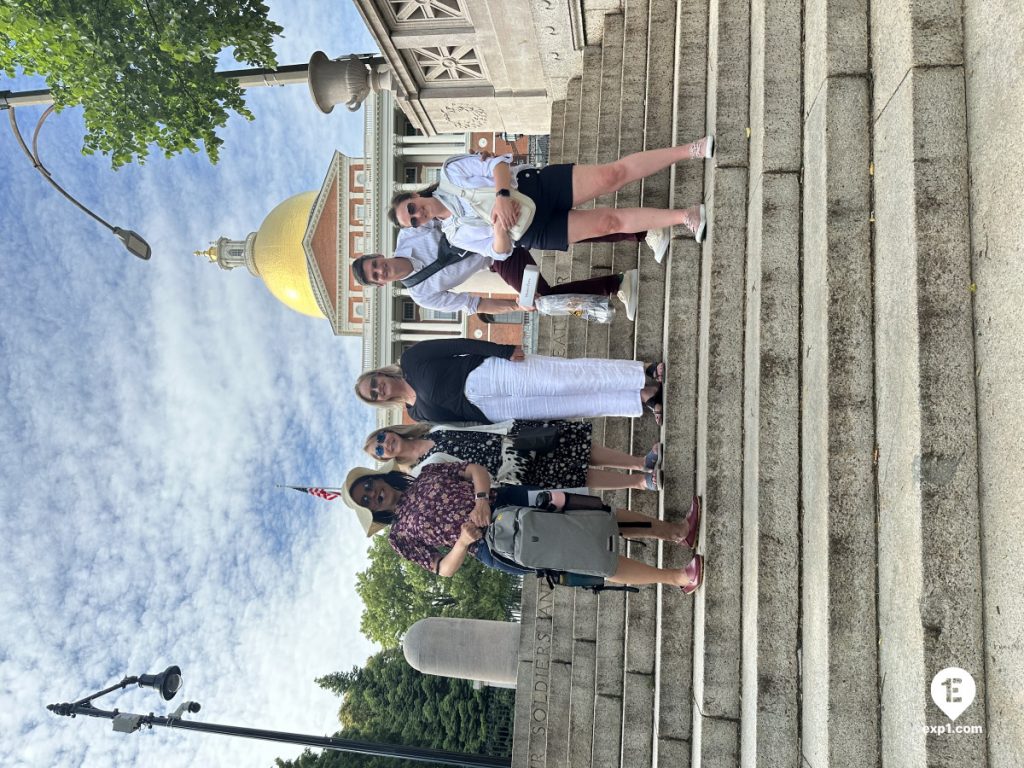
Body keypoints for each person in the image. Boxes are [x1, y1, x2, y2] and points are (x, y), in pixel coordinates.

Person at [340, 459, 704, 592]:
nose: (373, 495)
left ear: (377, 478)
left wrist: (481, 501)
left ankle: (676, 531)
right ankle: (676, 578)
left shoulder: (425, 473)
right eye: (366, 500)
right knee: (583, 555)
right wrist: (462, 543)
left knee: (595, 515)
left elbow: (475, 471)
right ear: (372, 512)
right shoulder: (400, 538)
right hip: (494, 544)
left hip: (507, 499)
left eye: (369, 486)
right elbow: (442, 570)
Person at [389, 137, 713, 262]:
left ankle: (690, 150)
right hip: (531, 232)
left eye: (412, 209)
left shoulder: (450, 173)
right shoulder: (455, 234)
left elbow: (497, 164)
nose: (419, 215)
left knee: (610, 176)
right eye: (414, 221)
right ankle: (685, 217)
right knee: (608, 223)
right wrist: (501, 228)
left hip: (532, 188)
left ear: (416, 196)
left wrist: (502, 198)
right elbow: (497, 253)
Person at [352, 221, 642, 320]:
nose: (382, 270)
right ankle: (617, 284)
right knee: (542, 302)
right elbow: (473, 304)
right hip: (498, 258)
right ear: (382, 285)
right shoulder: (422, 295)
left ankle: (636, 232)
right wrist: (516, 306)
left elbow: (442, 211)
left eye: (376, 264)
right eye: (377, 276)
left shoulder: (408, 236)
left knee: (566, 233)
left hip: (496, 229)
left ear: (379, 255)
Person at [354, 337, 667, 425]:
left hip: (488, 373)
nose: (378, 389)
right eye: (373, 395)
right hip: (491, 412)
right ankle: (641, 397)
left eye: (373, 383)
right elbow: (461, 424)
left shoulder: (411, 360)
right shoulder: (416, 414)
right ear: (379, 401)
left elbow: (457, 346)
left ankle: (643, 371)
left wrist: (500, 350)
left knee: (563, 379)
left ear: (379, 374)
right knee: (568, 405)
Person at [362, 421, 665, 491]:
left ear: (388, 431)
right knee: (575, 475)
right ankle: (640, 482)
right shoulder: (418, 473)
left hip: (509, 438)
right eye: (378, 450)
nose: (383, 444)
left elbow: (475, 429)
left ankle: (640, 462)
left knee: (577, 449)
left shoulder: (432, 428)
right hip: (506, 471)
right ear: (383, 459)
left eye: (380, 438)